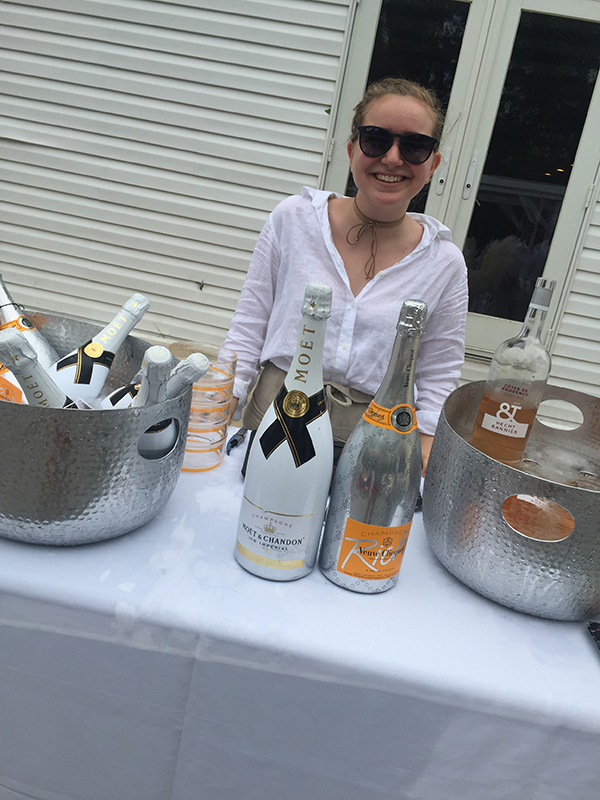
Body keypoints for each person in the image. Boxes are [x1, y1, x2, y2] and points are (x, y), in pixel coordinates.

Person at [224, 77, 468, 475]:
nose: (392, 158)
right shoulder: (293, 219)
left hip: (375, 443)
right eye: (376, 139)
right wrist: (223, 398)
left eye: (414, 145)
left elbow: (439, 371)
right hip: (274, 416)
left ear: (432, 164)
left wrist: (426, 444)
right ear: (353, 148)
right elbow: (250, 324)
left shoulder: (444, 263)